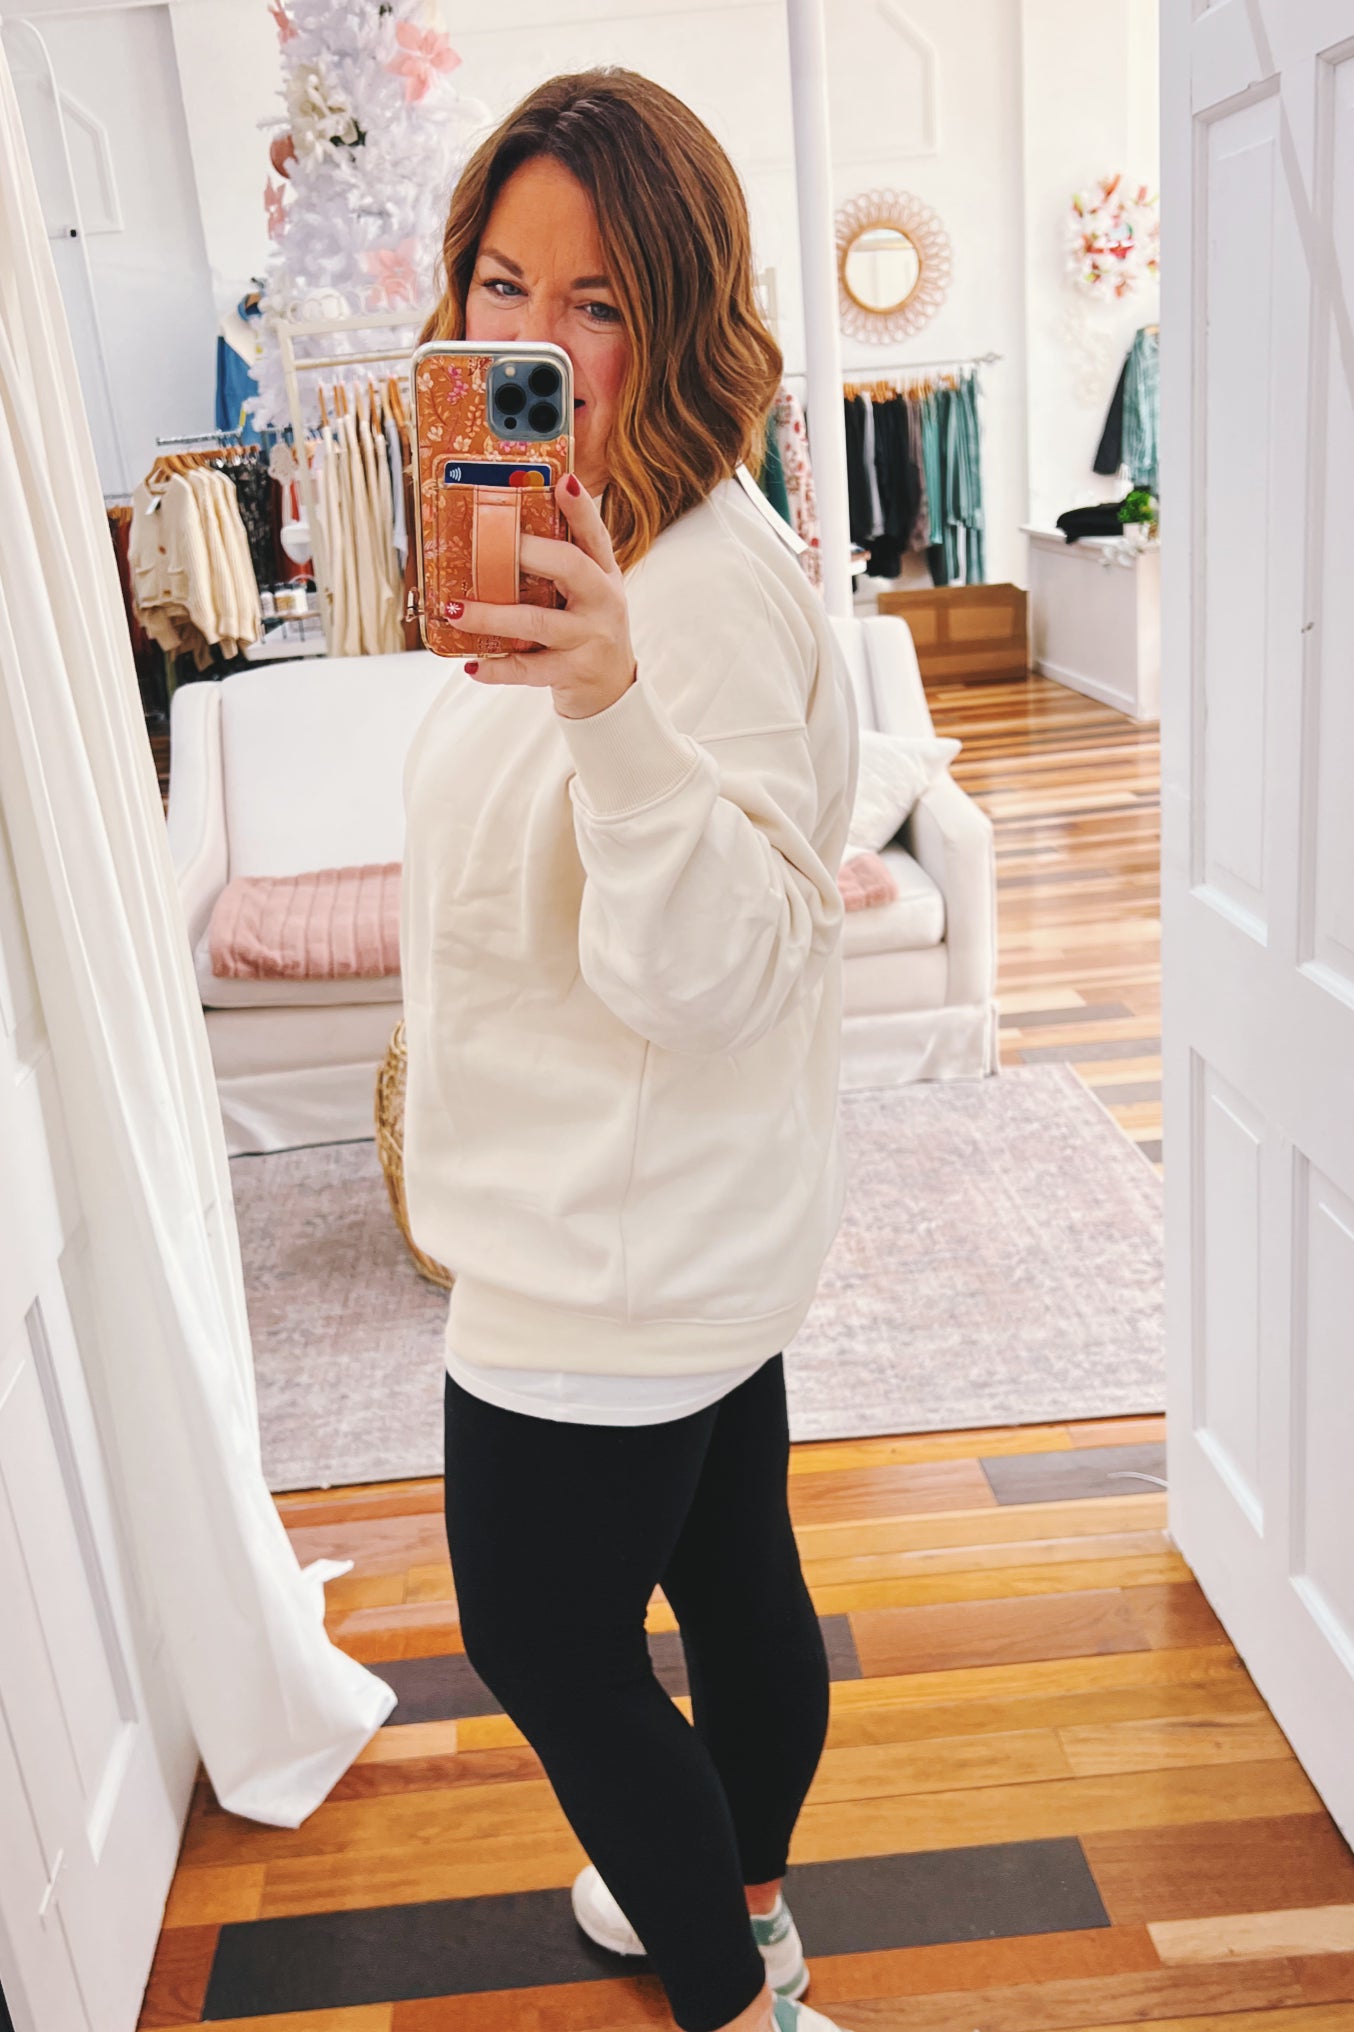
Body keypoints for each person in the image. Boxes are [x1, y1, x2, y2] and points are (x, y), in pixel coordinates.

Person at [400, 66, 859, 2032]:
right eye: (502, 285)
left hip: (604, 1243)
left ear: (677, 310)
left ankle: (738, 1999)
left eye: (593, 301)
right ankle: (745, 1902)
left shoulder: (696, 601)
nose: (533, 339)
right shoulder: (615, 527)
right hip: (674, 1211)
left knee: (545, 1640)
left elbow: (720, 962)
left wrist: (602, 702)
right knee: (731, 1569)